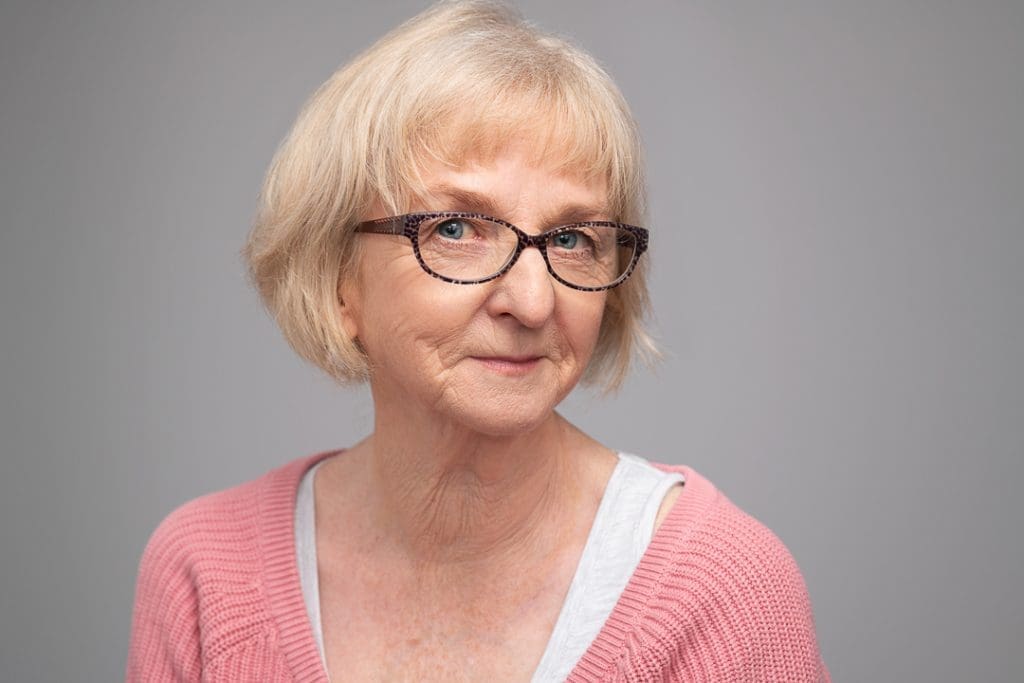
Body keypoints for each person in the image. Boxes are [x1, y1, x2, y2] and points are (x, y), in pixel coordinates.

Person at [126, 1, 829, 680]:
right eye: (457, 228)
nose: (532, 300)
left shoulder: (721, 589)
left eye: (571, 238)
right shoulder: (205, 577)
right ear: (340, 281)